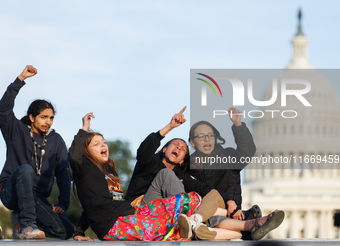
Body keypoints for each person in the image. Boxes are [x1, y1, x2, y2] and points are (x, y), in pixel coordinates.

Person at [70, 112, 284, 241]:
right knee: (186, 195)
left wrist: (230, 202)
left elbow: (95, 202)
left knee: (202, 223)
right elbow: (144, 149)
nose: (179, 147)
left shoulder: (182, 175)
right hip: (137, 212)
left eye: (183, 148)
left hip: (146, 217)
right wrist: (170, 127)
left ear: (183, 159)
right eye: (175, 144)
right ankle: (202, 218)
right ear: (164, 149)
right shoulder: (149, 163)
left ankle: (250, 227)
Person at [0, 66, 74, 239]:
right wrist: (20, 80)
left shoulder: (56, 140)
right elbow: (3, 109)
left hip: (36, 198)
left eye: (51, 118)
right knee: (26, 169)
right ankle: (26, 226)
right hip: (11, 192)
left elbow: (63, 172)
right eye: (43, 117)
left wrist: (63, 202)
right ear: (32, 117)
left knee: (65, 231)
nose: (48, 122)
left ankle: (21, 220)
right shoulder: (16, 130)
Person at [188, 107, 258, 238]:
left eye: (210, 135)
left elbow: (247, 152)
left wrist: (238, 125)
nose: (207, 139)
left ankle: (246, 226)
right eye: (201, 136)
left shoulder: (227, 156)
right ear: (192, 142)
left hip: (227, 212)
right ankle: (246, 230)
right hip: (201, 211)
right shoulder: (188, 164)